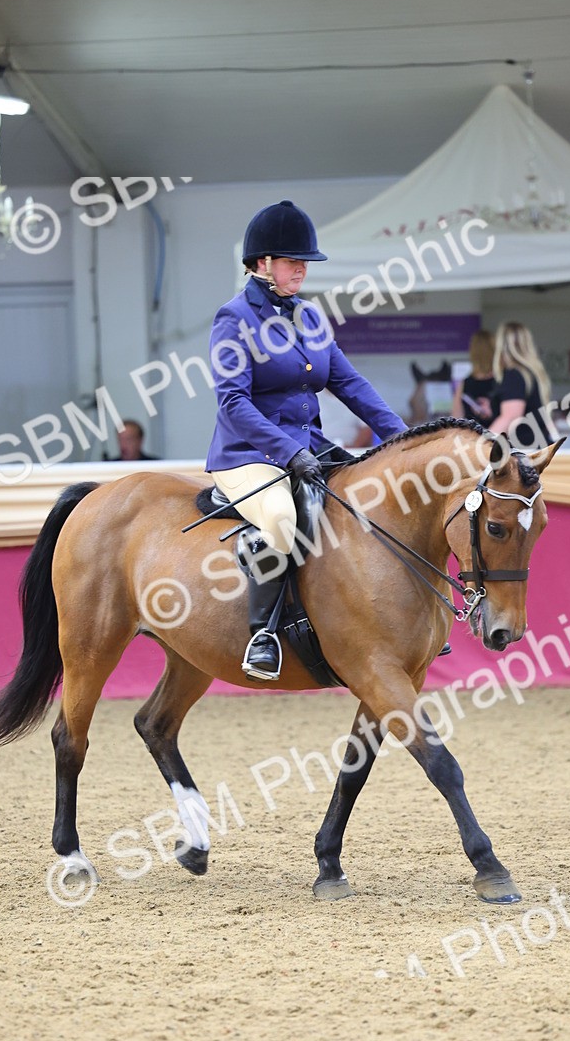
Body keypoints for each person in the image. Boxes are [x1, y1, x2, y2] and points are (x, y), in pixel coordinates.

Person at [205, 199, 408, 682]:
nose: (301, 270)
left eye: (305, 262)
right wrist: (288, 451)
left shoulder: (310, 317)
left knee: (369, 503)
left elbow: (350, 384)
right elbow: (232, 402)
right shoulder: (233, 319)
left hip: (309, 447)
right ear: (261, 264)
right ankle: (263, 635)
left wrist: (403, 439)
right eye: (292, 261)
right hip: (249, 455)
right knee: (280, 518)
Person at [488, 321, 553, 448]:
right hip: (535, 448)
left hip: (523, 452)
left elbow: (510, 417)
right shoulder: (531, 374)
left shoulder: (514, 375)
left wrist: (481, 445)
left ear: (501, 345)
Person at [451, 329, 496, 428]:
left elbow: (456, 416)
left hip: (472, 440)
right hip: (501, 437)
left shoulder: (465, 383)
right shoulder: (503, 380)